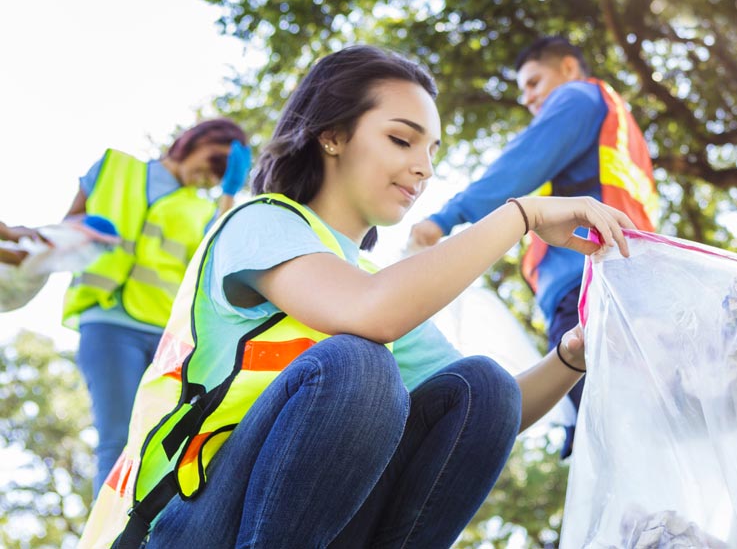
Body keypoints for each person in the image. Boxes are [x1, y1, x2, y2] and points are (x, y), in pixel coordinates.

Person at [79, 45, 634, 549]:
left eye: (433, 150)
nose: (424, 167)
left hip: (291, 523)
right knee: (360, 366)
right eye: (401, 139)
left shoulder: (372, 283)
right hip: (178, 527)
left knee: (482, 388)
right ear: (334, 135)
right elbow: (371, 312)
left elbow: (493, 415)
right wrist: (524, 215)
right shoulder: (260, 223)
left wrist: (572, 356)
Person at [406, 36, 659, 457]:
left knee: (605, 438)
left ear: (567, 68)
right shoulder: (617, 124)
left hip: (586, 287)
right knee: (624, 431)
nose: (527, 98)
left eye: (534, 82)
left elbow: (521, 165)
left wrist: (443, 218)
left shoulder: (578, 98)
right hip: (624, 283)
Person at [62, 118, 251, 493]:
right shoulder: (114, 168)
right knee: (118, 441)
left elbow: (216, 258)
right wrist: (84, 228)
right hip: (109, 323)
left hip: (167, 339)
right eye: (211, 165)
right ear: (196, 141)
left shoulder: (202, 209)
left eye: (217, 177)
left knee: (161, 445)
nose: (207, 179)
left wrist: (229, 194)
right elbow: (65, 226)